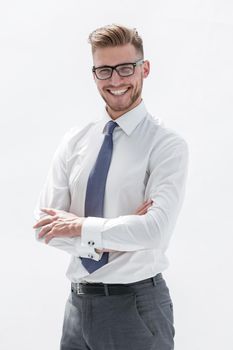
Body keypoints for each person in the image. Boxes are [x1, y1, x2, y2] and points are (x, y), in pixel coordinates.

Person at [33, 24, 189, 350]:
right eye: (105, 70)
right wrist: (116, 233)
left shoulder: (165, 145)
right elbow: (45, 227)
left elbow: (155, 231)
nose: (116, 81)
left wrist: (79, 226)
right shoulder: (75, 141)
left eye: (125, 68)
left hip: (135, 306)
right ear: (94, 75)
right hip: (76, 306)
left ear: (144, 68)